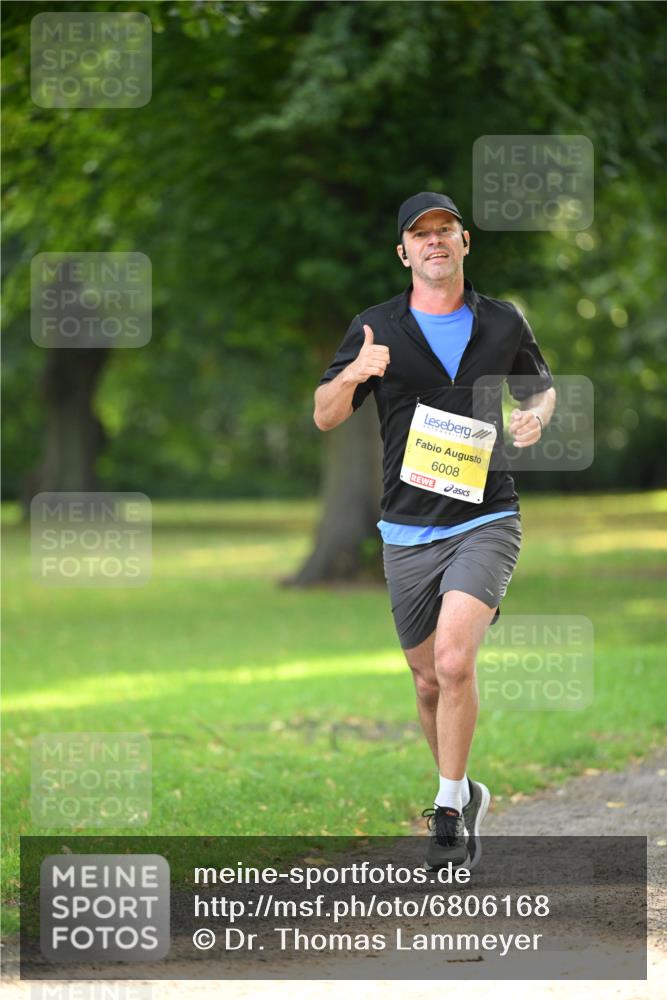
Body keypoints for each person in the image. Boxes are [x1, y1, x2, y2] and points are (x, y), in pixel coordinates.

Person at [313, 192, 556, 870]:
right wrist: (355, 373)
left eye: (444, 231)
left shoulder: (502, 321)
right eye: (420, 235)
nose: (433, 242)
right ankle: (467, 788)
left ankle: (446, 809)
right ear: (403, 252)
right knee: (426, 681)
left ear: (463, 242)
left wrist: (535, 415)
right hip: (406, 530)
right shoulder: (374, 327)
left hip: (486, 517)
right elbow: (325, 414)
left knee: (453, 662)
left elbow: (537, 386)